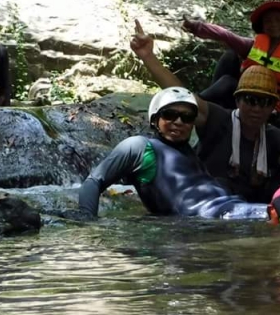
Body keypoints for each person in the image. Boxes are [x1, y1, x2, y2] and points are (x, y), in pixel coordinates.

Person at [131, 20, 280, 203]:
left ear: (273, 106)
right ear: (237, 100)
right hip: (203, 205)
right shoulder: (219, 120)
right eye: (250, 100)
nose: (257, 108)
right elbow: (182, 95)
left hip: (248, 214)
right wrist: (148, 56)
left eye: (264, 102)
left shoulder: (275, 138)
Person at [77, 87, 268, 219]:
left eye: (187, 117)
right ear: (154, 119)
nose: (178, 122)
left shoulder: (192, 155)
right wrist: (86, 219)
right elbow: (94, 181)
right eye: (169, 115)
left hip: (232, 210)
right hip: (209, 219)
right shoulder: (140, 147)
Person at [182, 0, 280, 118]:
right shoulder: (251, 45)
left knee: (228, 82)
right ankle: (198, 103)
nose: (274, 24)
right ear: (262, 26)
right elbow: (225, 35)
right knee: (230, 55)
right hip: (243, 97)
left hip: (267, 103)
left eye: (278, 20)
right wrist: (195, 27)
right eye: (268, 21)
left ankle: (195, 101)